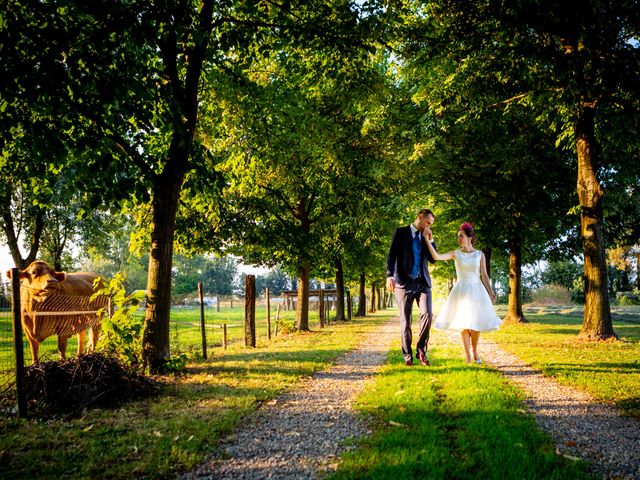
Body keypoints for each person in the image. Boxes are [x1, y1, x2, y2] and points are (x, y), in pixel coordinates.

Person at [423, 222, 501, 364]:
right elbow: (436, 256)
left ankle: (475, 351)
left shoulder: (479, 254)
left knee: (476, 323)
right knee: (464, 324)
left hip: (476, 290)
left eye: (462, 236)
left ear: (469, 237)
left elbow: (484, 275)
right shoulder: (456, 254)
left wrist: (491, 292)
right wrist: (428, 240)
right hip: (461, 291)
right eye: (458, 236)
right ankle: (467, 356)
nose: (459, 239)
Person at [386, 209, 438, 367]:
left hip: (423, 282)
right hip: (404, 282)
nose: (429, 226)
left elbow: (433, 259)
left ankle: (421, 350)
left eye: (431, 224)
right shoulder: (401, 232)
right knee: (405, 321)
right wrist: (390, 276)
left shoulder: (426, 236)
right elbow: (391, 255)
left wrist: (431, 239)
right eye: (428, 223)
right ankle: (407, 356)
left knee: (428, 314)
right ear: (420, 217)